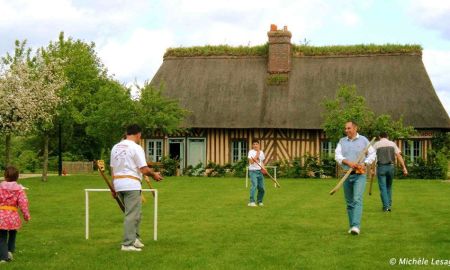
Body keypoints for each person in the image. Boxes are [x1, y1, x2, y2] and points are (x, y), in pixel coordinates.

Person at [110, 124, 163, 251]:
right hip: (131, 184)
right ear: (138, 134)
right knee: (132, 214)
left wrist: (113, 187)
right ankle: (127, 244)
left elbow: (112, 168)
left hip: (119, 183)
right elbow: (144, 169)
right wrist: (154, 174)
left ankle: (136, 239)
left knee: (136, 213)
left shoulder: (115, 147)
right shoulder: (136, 147)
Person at [335, 121, 376, 235]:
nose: (347, 130)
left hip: (359, 174)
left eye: (349, 128)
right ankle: (352, 225)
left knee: (357, 199)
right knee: (349, 202)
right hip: (346, 174)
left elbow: (372, 154)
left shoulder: (364, 140)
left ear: (355, 128)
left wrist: (365, 163)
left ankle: (356, 226)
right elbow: (337, 155)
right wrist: (348, 162)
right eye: (345, 129)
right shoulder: (342, 141)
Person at [0, 166, 30, 263]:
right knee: (13, 233)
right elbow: (23, 203)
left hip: (1, 216)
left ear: (5, 176)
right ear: (17, 177)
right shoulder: (19, 190)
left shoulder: (0, 188)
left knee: (2, 237)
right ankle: (10, 251)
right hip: (13, 217)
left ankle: (4, 257)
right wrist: (26, 216)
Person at [373, 132, 408, 212]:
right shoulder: (392, 144)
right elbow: (399, 155)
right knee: (389, 186)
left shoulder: (376, 144)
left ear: (379, 137)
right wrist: (404, 167)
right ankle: (388, 204)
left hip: (381, 167)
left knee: (383, 188)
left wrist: (372, 169)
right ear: (387, 136)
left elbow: (372, 157)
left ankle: (386, 206)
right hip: (391, 167)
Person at [247, 141, 266, 207]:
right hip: (253, 171)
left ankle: (259, 201)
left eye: (256, 144)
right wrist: (257, 153)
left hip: (260, 171)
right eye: (254, 144)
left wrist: (263, 169)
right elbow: (251, 162)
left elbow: (261, 162)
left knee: (262, 188)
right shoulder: (250, 152)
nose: (255, 145)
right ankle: (251, 202)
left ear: (259, 145)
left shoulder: (262, 152)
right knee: (254, 185)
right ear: (252, 145)